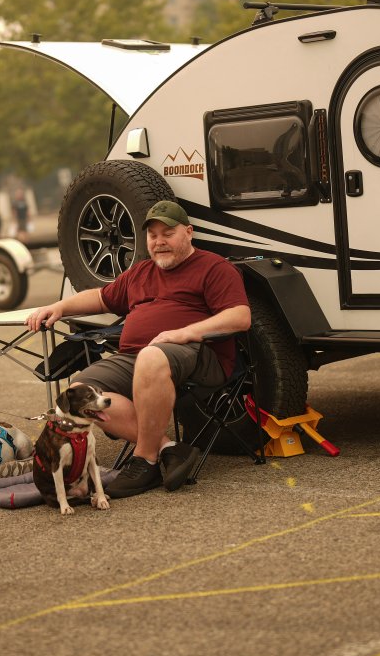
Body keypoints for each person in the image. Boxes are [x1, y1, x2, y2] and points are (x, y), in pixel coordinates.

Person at [25, 200, 251, 497]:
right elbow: (101, 298)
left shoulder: (213, 267)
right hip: (136, 357)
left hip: (197, 355)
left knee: (151, 356)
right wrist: (59, 307)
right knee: (79, 393)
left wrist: (185, 333)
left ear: (188, 232)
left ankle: (144, 460)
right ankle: (169, 449)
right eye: (153, 235)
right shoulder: (141, 272)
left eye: (167, 233)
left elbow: (240, 317)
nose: (159, 242)